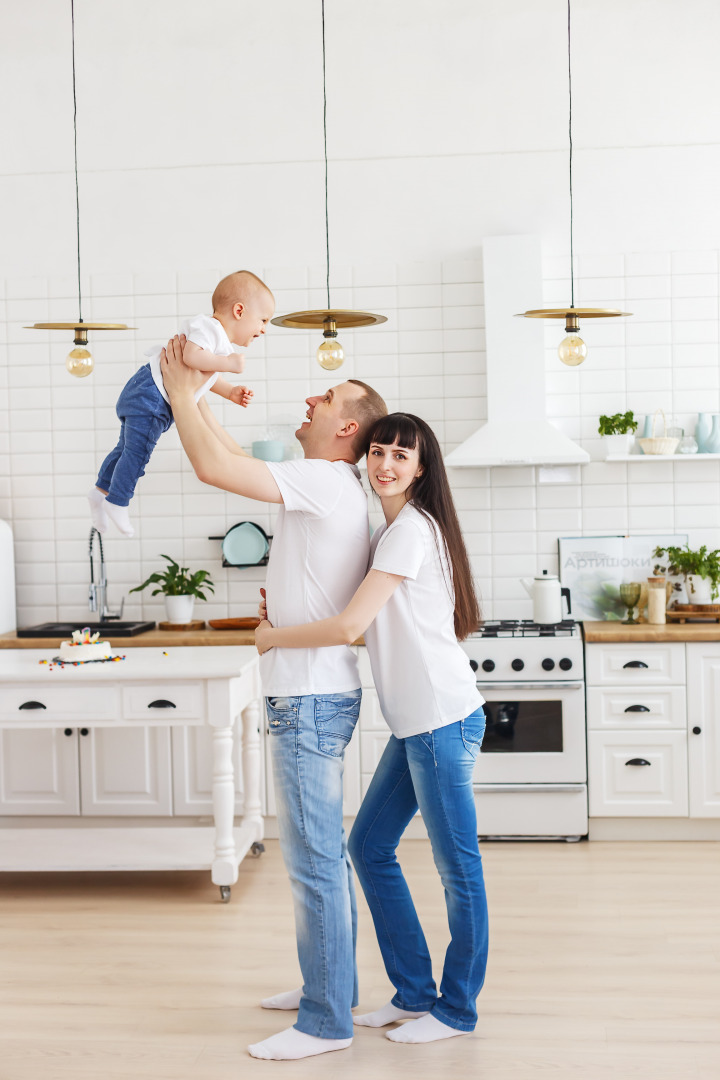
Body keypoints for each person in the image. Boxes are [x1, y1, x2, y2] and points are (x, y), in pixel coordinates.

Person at [159, 335, 388, 1061]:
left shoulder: (326, 478)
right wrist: (196, 395)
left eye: (325, 398)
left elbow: (211, 464)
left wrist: (176, 393)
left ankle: (325, 1021)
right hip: (318, 694)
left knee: (315, 861)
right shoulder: (325, 483)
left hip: (310, 699)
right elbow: (227, 450)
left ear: (346, 427)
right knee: (322, 858)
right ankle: (334, 986)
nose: (311, 399)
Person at [255, 412, 488, 1045]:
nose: (384, 464)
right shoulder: (392, 530)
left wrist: (272, 636)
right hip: (417, 725)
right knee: (369, 847)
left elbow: (348, 626)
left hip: (442, 721)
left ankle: (456, 1010)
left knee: (457, 870)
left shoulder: (408, 532)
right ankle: (414, 993)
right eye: (378, 451)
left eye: (400, 456)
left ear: (422, 467)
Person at [88, 270, 273, 538]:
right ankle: (118, 501)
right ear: (239, 310)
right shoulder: (210, 328)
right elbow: (191, 357)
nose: (264, 328)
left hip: (144, 392)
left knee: (124, 449)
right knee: (137, 453)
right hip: (151, 398)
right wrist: (229, 363)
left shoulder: (215, 338)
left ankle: (100, 492)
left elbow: (202, 374)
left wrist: (229, 391)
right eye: (263, 320)